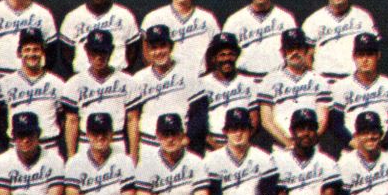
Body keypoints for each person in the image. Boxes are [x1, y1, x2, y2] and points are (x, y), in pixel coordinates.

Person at [130, 24, 207, 159]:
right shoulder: (139, 79)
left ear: (170, 46)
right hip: (149, 145)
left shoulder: (188, 73)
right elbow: (133, 119)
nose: (159, 52)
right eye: (154, 48)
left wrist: (188, 138)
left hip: (178, 144)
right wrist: (134, 155)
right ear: (148, 50)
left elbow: (200, 112)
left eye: (162, 46)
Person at [61, 29, 140, 158]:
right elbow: (72, 121)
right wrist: (71, 156)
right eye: (94, 51)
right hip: (86, 143)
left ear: (111, 50)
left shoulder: (127, 81)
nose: (98, 57)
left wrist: (134, 156)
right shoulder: (74, 83)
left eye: (103, 51)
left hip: (116, 142)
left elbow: (132, 120)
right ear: (87, 51)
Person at [330, 33, 388, 152]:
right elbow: (336, 123)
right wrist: (353, 143)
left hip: (384, 150)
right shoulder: (340, 87)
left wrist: (383, 145)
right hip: (353, 150)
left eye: (370, 54)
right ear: (354, 57)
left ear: (378, 55)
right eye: (361, 55)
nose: (365, 60)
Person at [140, 0, 220, 79]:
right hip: (170, 81)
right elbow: (146, 53)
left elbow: (217, 51)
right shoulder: (153, 18)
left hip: (200, 78)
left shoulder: (207, 19)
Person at [301, 0, 378, 84]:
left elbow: (375, 53)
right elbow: (306, 56)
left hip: (355, 82)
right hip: (324, 82)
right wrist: (316, 80)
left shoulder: (363, 18)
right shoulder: (313, 20)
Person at [59, 0, 140, 77]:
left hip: (117, 77)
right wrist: (78, 77)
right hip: (83, 77)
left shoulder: (124, 15)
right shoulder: (73, 17)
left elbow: (133, 50)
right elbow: (66, 53)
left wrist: (123, 75)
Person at [258, 28, 331, 151]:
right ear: (283, 52)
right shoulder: (270, 80)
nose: (295, 52)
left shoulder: (319, 80)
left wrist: (307, 143)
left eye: (299, 48)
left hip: (311, 146)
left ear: (306, 50)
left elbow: (322, 119)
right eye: (290, 49)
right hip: (281, 147)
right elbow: (266, 120)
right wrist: (289, 144)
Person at [221, 0, 297, 81]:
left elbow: (295, 51)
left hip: (277, 78)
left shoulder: (285, 18)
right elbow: (223, 54)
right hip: (244, 79)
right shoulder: (234, 20)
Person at [0, 28, 66, 153]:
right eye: (27, 50)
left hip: (49, 146)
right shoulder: (6, 83)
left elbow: (63, 118)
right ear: (19, 53)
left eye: (36, 49)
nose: (32, 54)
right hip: (17, 147)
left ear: (43, 52)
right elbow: (0, 120)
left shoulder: (56, 83)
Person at [197, 32, 259, 152]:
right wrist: (217, 147)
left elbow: (254, 119)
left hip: (243, 144)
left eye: (231, 54)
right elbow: (199, 123)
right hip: (213, 147)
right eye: (222, 55)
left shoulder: (249, 82)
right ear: (214, 58)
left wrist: (240, 144)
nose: (227, 59)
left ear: (236, 56)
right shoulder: (201, 84)